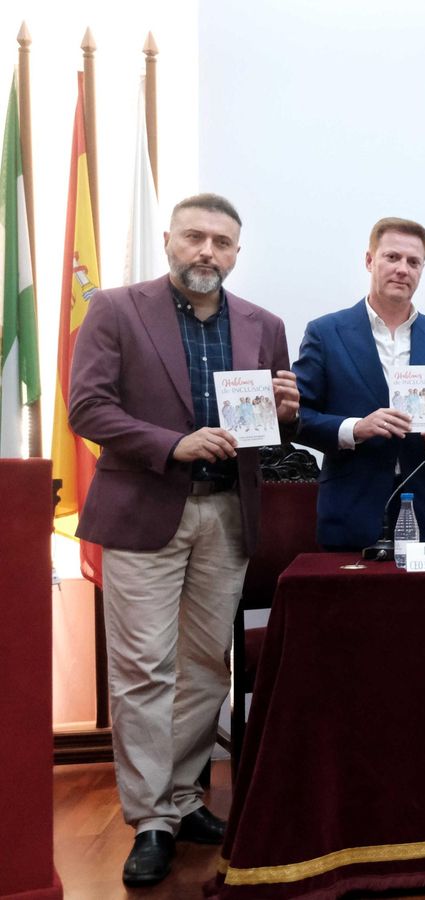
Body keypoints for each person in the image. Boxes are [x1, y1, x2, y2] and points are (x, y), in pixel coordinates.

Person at [67, 194, 300, 886]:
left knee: (204, 666)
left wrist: (283, 412)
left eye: (222, 242)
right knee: (144, 668)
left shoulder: (264, 324)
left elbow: (269, 429)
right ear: (169, 240)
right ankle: (152, 819)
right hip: (145, 509)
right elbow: (87, 406)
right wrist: (175, 444)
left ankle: (180, 797)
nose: (207, 251)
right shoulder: (115, 309)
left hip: (227, 511)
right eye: (195, 237)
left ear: (236, 252)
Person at [293, 218, 425, 550]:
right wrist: (355, 428)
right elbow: (298, 417)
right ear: (369, 261)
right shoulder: (325, 333)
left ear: (422, 269)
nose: (402, 269)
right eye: (392, 257)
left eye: (413, 262)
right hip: (351, 506)